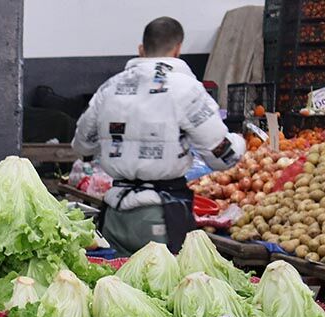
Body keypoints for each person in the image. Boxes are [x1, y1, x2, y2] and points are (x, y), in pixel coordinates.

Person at [72, 16, 245, 256]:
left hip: (114, 215)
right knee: (161, 288)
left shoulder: (110, 88)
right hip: (160, 216)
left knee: (113, 286)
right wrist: (240, 141)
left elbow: (82, 144)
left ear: (141, 49)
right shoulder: (187, 89)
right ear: (178, 49)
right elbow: (223, 156)